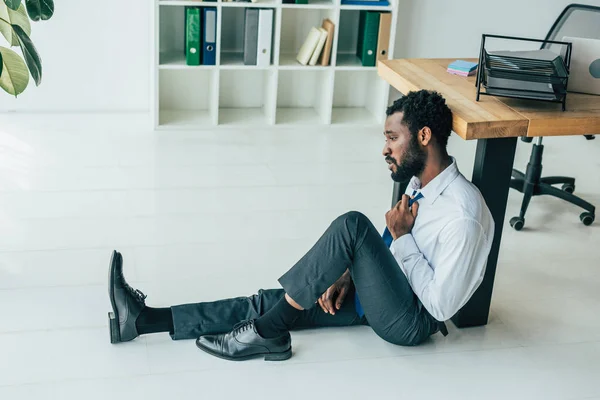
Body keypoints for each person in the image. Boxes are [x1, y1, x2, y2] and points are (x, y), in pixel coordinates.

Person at [107, 89, 494, 362]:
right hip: (383, 295)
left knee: (353, 226)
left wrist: (401, 238)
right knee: (273, 302)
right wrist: (351, 274)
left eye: (393, 138)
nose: (384, 149)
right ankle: (145, 320)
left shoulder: (464, 215)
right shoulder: (417, 182)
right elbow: (387, 260)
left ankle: (268, 335)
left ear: (424, 137)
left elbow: (440, 305)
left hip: (409, 321)